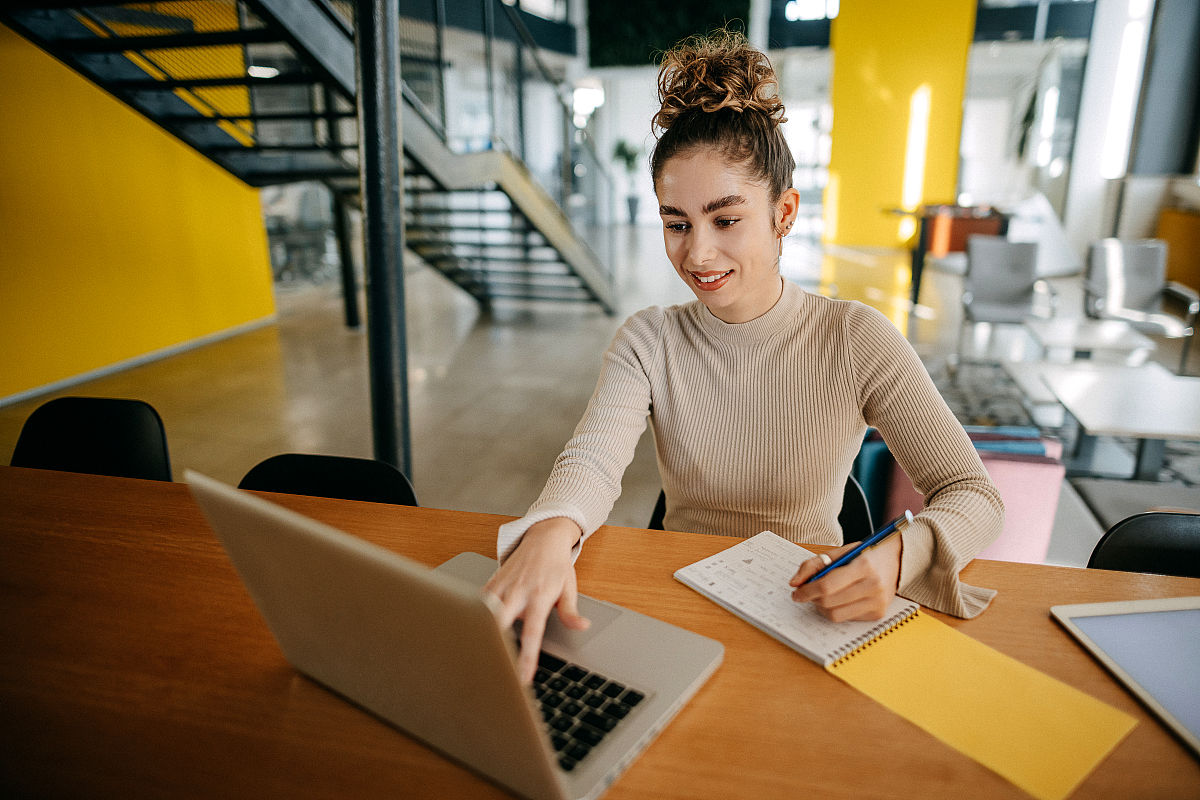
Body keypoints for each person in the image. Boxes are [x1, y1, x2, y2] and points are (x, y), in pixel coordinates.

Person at [485, 29, 1004, 683]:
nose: (698, 254)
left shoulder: (854, 337)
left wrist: (901, 556)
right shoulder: (649, 340)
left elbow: (973, 494)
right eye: (677, 223)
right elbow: (592, 460)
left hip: (808, 608)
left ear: (783, 213)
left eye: (725, 220)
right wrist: (551, 530)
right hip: (680, 604)